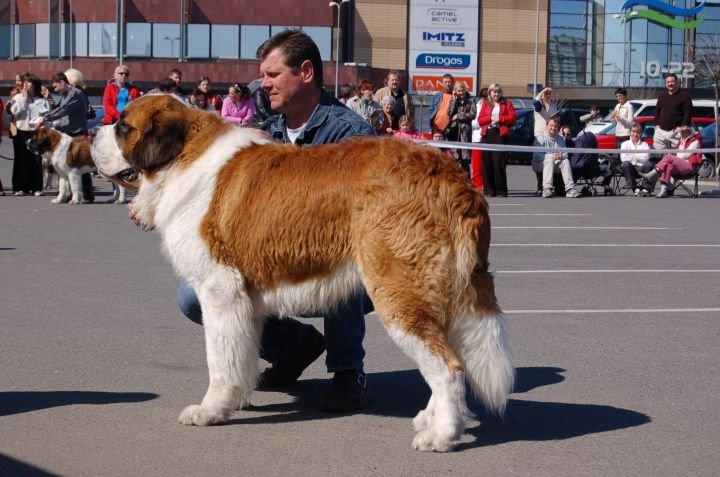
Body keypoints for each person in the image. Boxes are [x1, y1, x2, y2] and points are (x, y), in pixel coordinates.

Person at [175, 29, 374, 412]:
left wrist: (281, 165)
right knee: (192, 295)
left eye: (272, 74)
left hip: (344, 267)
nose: (262, 83)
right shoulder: (269, 130)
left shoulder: (351, 133)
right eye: (262, 75)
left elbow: (360, 219)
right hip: (280, 266)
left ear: (306, 72)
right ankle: (295, 347)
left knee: (342, 258)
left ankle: (349, 371)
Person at [7, 73, 49, 196]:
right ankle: (20, 187)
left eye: (29, 82)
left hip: (36, 131)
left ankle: (36, 187)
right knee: (21, 159)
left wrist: (42, 121)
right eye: (25, 81)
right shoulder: (18, 97)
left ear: (35, 84)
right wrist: (24, 99)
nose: (26, 84)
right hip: (21, 131)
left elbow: (47, 114)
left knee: (36, 159)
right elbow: (14, 111)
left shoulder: (41, 99)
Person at [63, 68, 96, 202]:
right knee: (80, 165)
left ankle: (83, 193)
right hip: (79, 129)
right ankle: (83, 193)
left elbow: (65, 109)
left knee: (77, 164)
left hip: (76, 131)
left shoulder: (75, 92)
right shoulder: (80, 91)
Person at [640, 125, 702, 198]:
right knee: (667, 165)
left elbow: (686, 154)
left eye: (685, 131)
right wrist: (675, 132)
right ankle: (663, 191)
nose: (683, 133)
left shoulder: (695, 141)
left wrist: (677, 157)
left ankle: (652, 173)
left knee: (669, 157)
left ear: (690, 131)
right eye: (682, 132)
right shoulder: (681, 141)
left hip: (690, 166)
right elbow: (669, 137)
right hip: (680, 166)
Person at [477, 83, 516, 197]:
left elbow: (512, 118)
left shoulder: (507, 103)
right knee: (487, 163)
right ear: (490, 93)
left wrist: (500, 119)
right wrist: (490, 118)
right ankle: (489, 190)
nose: (496, 94)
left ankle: (501, 191)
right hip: (487, 135)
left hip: (500, 135)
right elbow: (480, 120)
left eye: (498, 92)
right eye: (494, 92)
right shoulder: (486, 104)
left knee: (498, 163)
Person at [532, 116, 582, 198]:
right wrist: (551, 156)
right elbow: (536, 156)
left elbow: (565, 153)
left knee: (565, 161)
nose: (553, 128)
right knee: (549, 159)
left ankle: (570, 189)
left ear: (558, 127)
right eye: (551, 125)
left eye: (555, 126)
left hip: (554, 163)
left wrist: (561, 156)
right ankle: (547, 189)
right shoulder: (540, 138)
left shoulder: (560, 139)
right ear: (546, 125)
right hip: (539, 163)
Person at [654, 73, 693, 151]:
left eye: (672, 81)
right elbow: (657, 111)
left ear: (677, 82)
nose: (670, 84)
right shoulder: (662, 95)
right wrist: (657, 124)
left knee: (679, 154)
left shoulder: (684, 96)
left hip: (677, 132)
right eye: (668, 82)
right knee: (658, 153)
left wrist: (683, 126)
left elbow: (688, 113)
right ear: (665, 84)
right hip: (661, 132)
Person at [446, 81, 475, 174]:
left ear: (465, 90)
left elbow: (473, 114)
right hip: (455, 133)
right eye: (458, 91)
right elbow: (449, 114)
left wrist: (459, 116)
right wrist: (454, 100)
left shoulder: (471, 100)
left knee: (465, 161)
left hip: (465, 133)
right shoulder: (454, 100)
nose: (461, 93)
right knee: (454, 160)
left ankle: (467, 180)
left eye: (462, 90)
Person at [620, 123, 654, 196]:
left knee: (649, 164)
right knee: (625, 164)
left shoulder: (645, 144)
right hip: (630, 169)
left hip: (641, 168)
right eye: (634, 132)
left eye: (638, 132)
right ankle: (635, 188)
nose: (635, 134)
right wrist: (638, 156)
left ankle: (646, 189)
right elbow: (623, 158)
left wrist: (632, 155)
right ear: (630, 132)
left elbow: (646, 158)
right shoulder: (624, 144)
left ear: (640, 134)